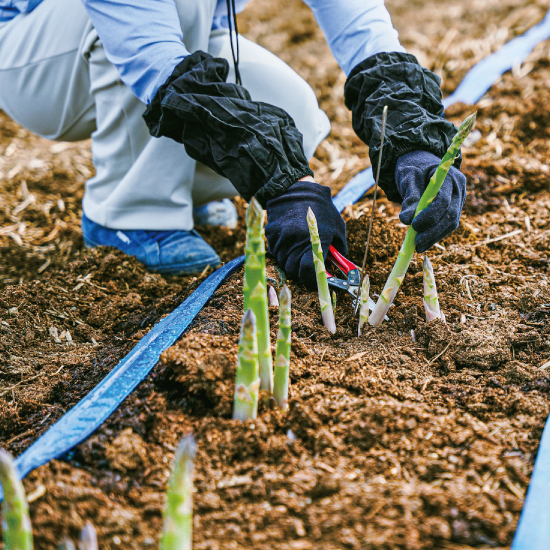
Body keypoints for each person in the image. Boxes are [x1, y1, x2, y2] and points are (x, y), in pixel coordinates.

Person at [0, 0, 466, 287]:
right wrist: (286, 186)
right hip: (36, 56)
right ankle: (127, 213)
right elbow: (155, 62)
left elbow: (364, 30)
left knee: (295, 112)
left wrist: (415, 142)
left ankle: (187, 191)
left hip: (173, 32)